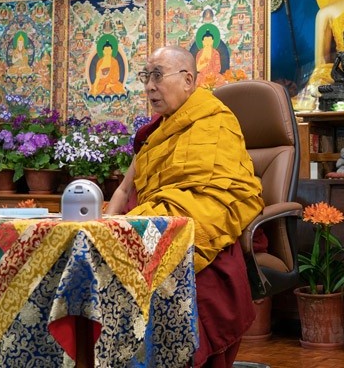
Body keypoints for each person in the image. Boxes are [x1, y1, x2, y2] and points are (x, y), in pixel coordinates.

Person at [106, 45, 264, 368]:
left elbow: (221, 199)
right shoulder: (155, 134)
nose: (149, 86)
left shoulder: (216, 121)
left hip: (204, 226)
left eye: (158, 76)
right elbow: (124, 188)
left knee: (177, 273)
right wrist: (103, 228)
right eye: (146, 77)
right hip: (160, 219)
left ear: (189, 80)